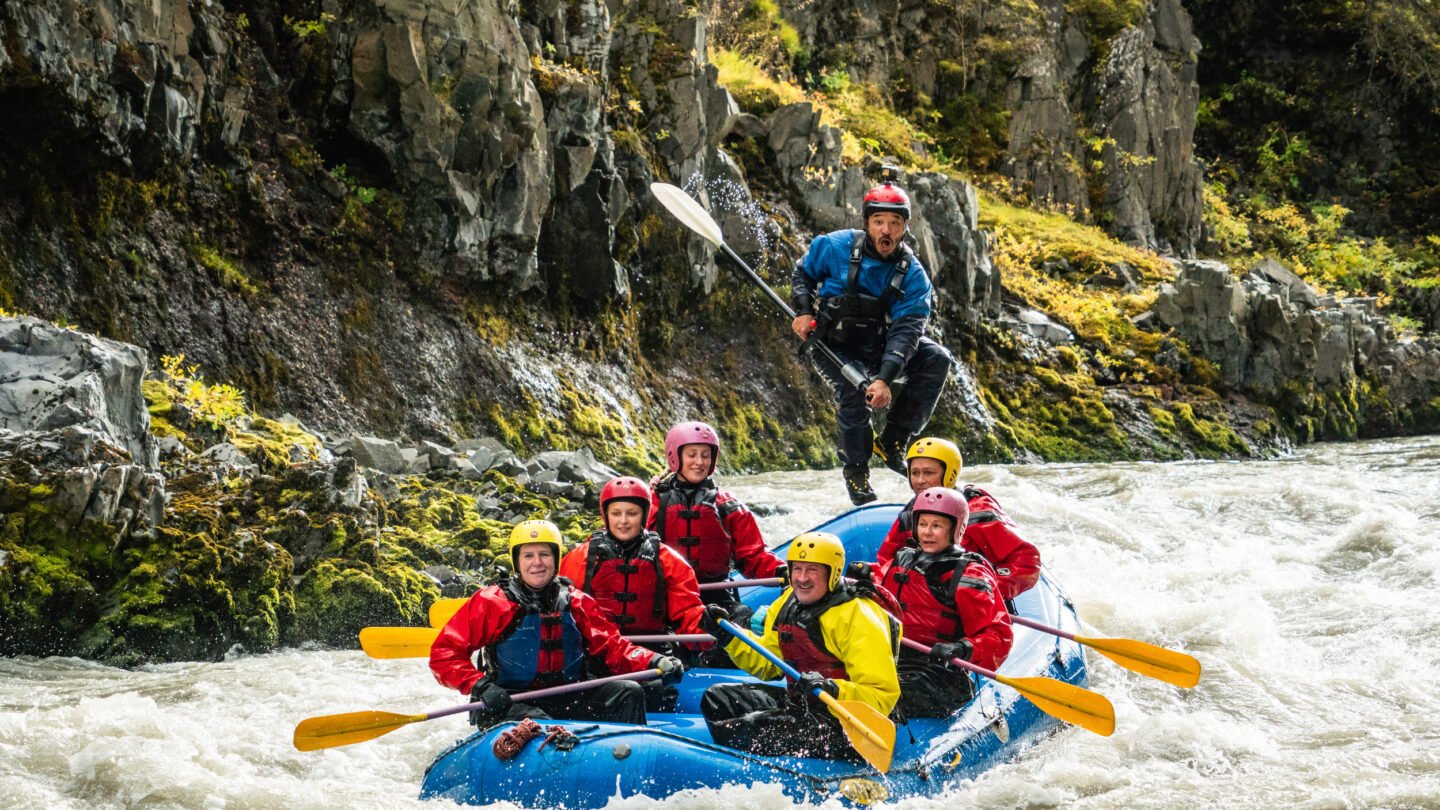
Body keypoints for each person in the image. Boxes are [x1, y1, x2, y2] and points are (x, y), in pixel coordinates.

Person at [791, 168, 954, 505]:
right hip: (832, 344)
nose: (886, 230)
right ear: (867, 222)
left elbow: (908, 332)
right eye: (879, 221)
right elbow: (802, 273)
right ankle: (857, 473)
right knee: (855, 389)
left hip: (879, 346)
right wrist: (804, 310)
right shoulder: (833, 247)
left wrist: (885, 378)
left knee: (936, 358)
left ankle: (893, 439)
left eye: (895, 223)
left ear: (905, 228)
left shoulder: (914, 275)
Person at [429, 520, 684, 728]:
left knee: (628, 692)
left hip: (569, 696)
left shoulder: (576, 601)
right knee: (538, 724)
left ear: (556, 558)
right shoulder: (492, 602)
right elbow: (444, 655)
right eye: (528, 555)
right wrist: (479, 685)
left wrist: (653, 660)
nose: (537, 562)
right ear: (517, 561)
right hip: (510, 701)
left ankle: (629, 759)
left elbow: (613, 647)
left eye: (544, 554)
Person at [697, 532, 900, 760]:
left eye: (812, 570)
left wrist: (832, 688)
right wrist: (730, 638)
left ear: (832, 573)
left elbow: (882, 695)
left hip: (841, 720)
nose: (802, 579)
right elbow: (769, 665)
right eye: (797, 569)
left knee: (751, 728)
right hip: (801, 704)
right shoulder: (787, 603)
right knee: (717, 699)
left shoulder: (858, 616)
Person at [876, 487, 1012, 718]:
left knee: (895, 696)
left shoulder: (968, 575)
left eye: (937, 526)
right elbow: (882, 586)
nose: (927, 532)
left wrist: (962, 648)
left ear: (956, 529)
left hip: (943, 673)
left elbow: (999, 635)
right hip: (898, 661)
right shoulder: (902, 560)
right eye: (923, 524)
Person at [649, 421, 786, 633]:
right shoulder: (653, 502)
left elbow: (753, 556)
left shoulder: (727, 505)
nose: (699, 462)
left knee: (755, 623)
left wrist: (782, 570)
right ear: (675, 457)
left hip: (715, 594)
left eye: (705, 455)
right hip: (666, 596)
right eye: (692, 454)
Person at [875, 437, 1041, 602]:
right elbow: (887, 561)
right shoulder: (911, 513)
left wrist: (979, 589)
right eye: (915, 473)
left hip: (976, 608)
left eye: (929, 473)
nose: (920, 480)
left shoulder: (977, 511)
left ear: (950, 474)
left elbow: (1026, 562)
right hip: (927, 607)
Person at [559, 476, 707, 639]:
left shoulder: (668, 560)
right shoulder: (581, 558)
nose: (623, 521)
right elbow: (563, 609)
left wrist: (706, 623)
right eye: (616, 513)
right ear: (606, 516)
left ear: (644, 515)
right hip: (599, 647)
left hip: (654, 645)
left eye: (632, 513)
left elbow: (688, 613)